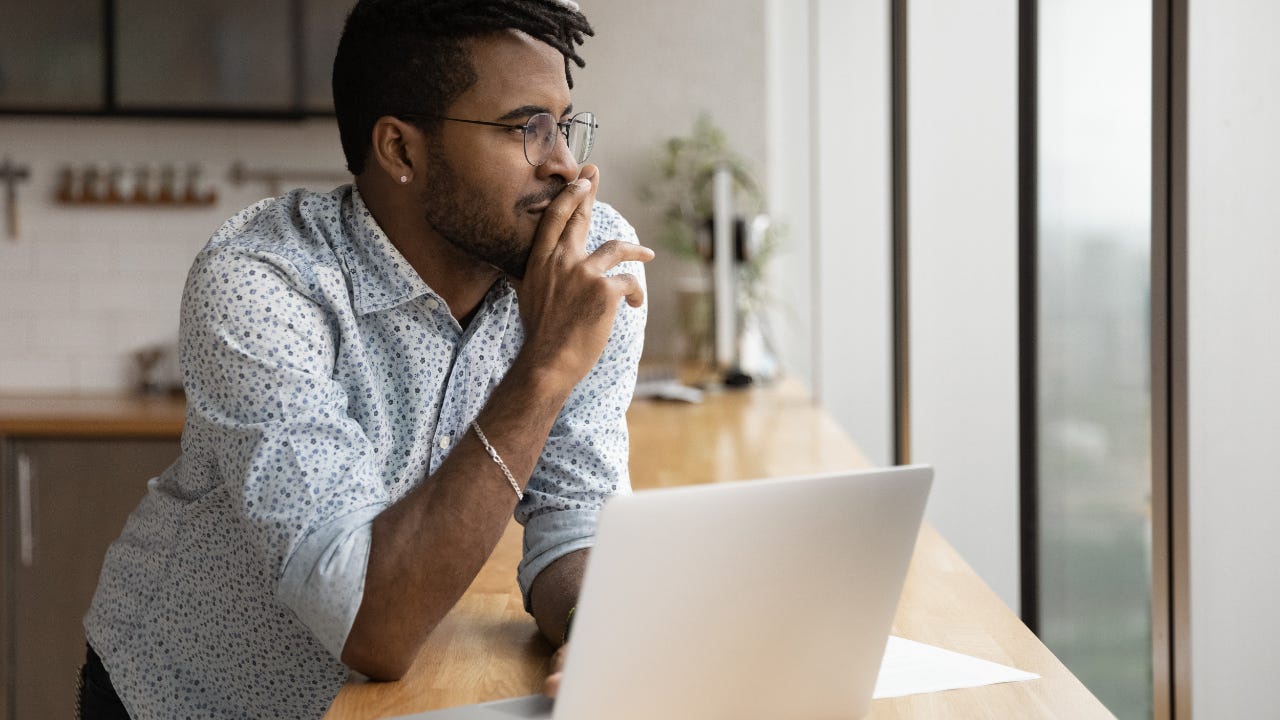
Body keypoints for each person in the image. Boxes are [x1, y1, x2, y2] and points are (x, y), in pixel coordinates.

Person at [77, 0, 652, 717]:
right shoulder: (265, 280)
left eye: (563, 124)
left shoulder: (586, 261)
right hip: (193, 696)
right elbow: (370, 626)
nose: (567, 165)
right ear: (400, 150)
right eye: (523, 128)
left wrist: (598, 634)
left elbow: (573, 512)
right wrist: (542, 371)